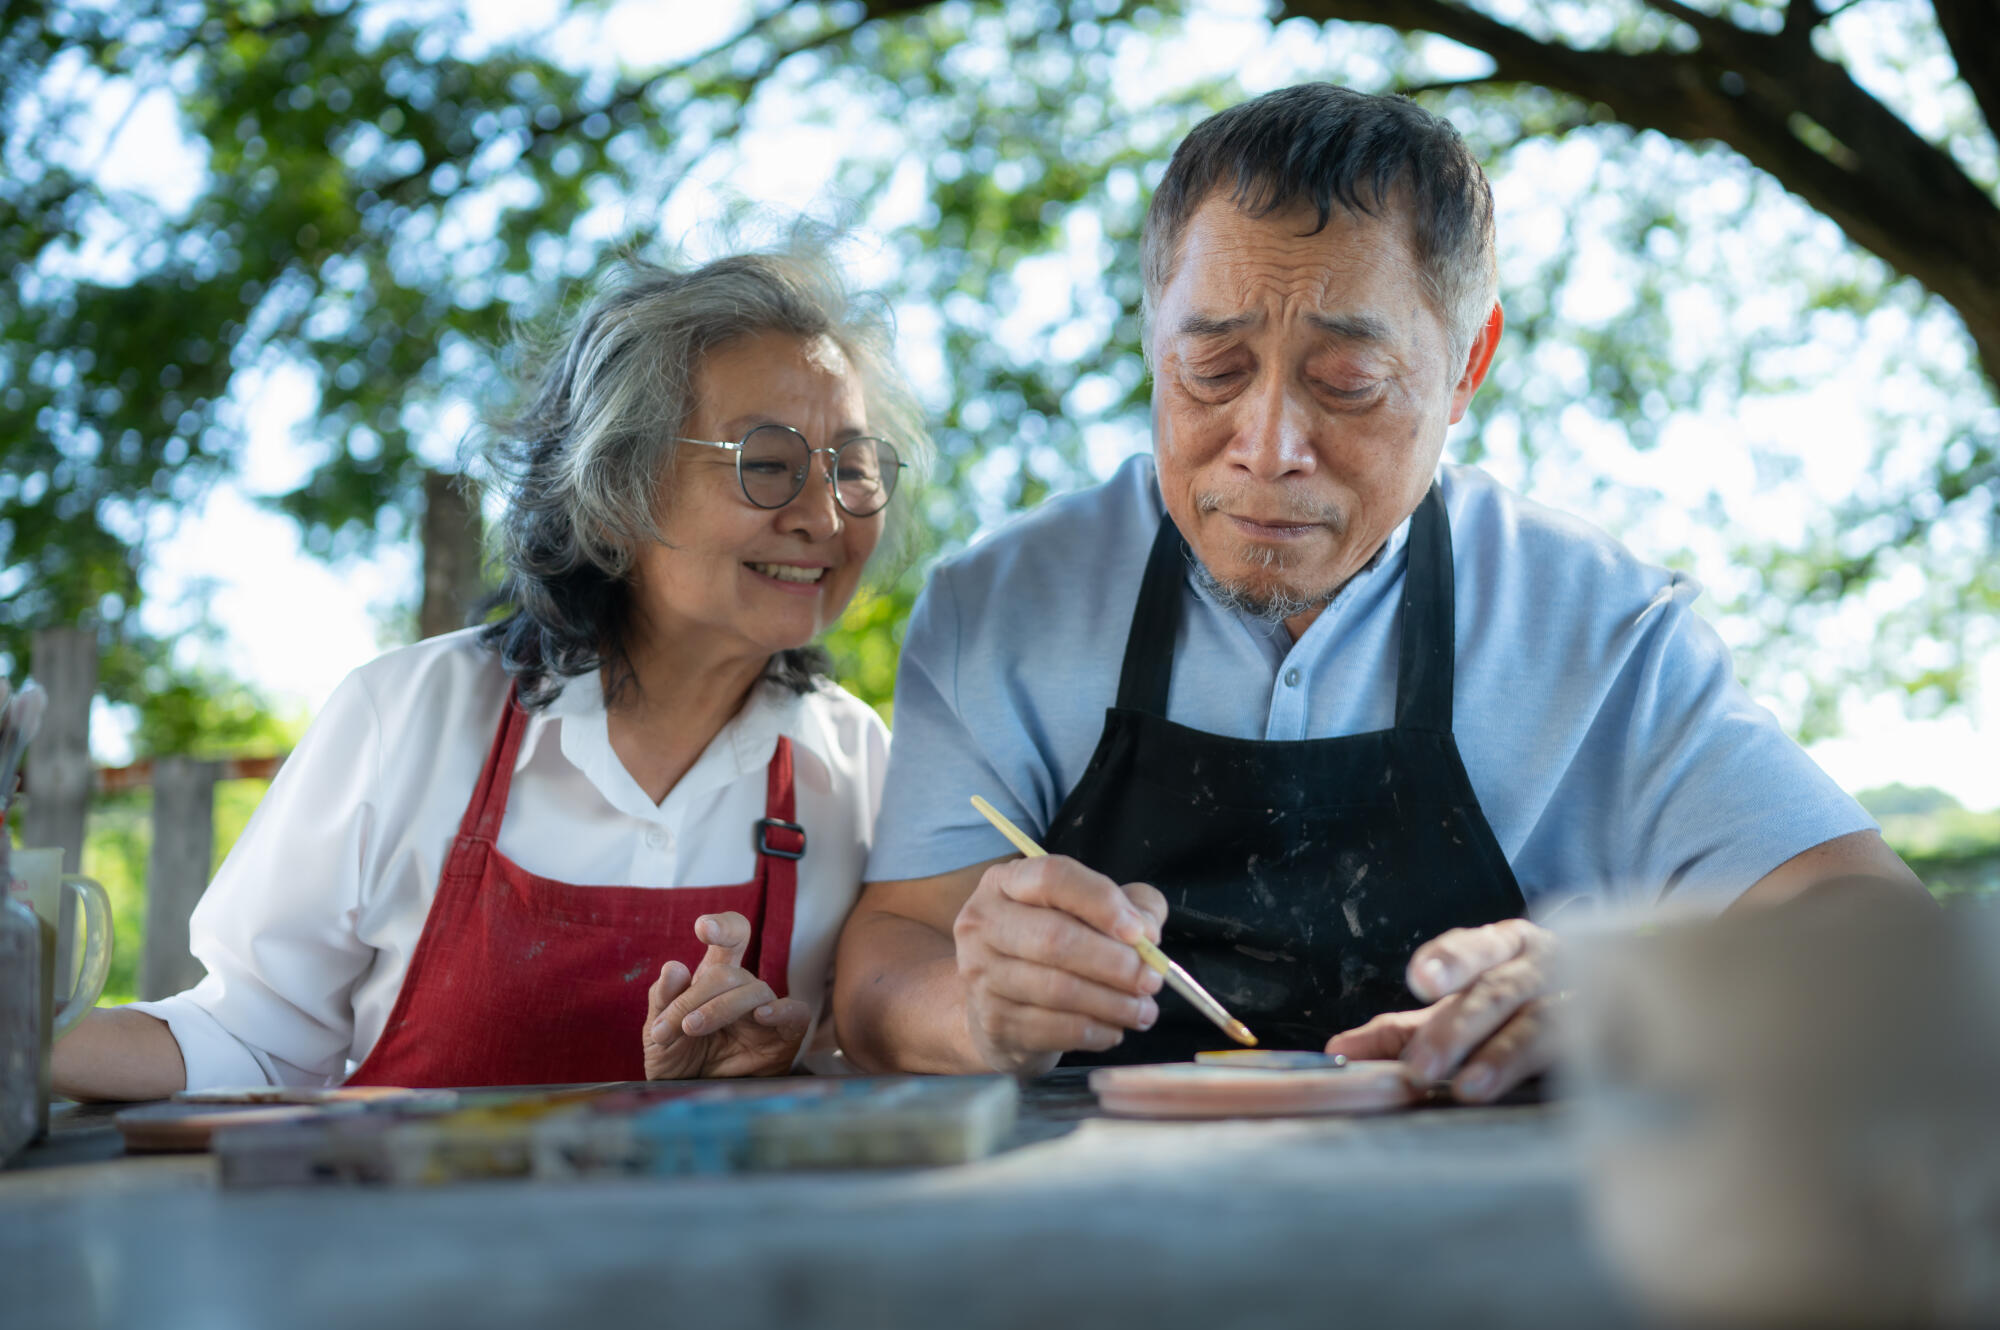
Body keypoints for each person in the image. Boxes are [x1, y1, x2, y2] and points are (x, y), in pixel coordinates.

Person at [832, 84, 1925, 1099]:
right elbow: (887, 963)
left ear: (1466, 367)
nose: (1264, 448)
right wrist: (978, 1013)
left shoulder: (1603, 627)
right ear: (1150, 338)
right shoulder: (999, 603)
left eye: (1346, 383)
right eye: (1209, 370)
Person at [55, 234, 928, 1097]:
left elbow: (861, 1068)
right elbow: (248, 1042)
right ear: (614, 488)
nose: (824, 513)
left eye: (852, 468)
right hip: (407, 1238)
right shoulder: (409, 717)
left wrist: (769, 1072)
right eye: (767, 465)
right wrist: (29, 1039)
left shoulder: (856, 765)